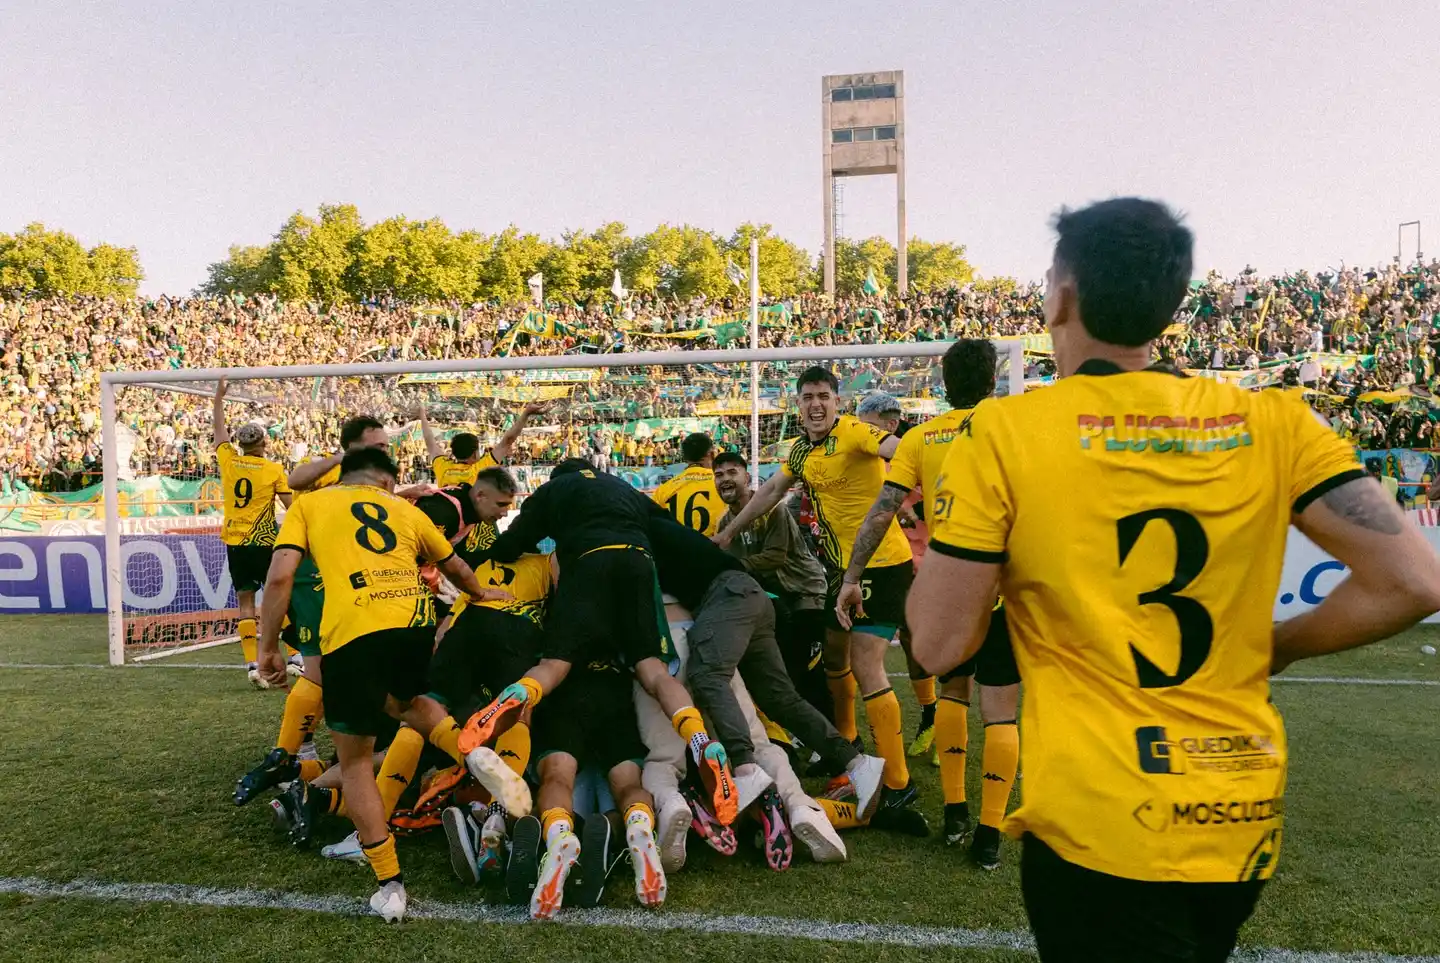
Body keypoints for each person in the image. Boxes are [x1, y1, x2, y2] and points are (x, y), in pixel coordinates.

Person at [907, 197, 1440, 963]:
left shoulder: (1005, 432)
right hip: (1238, 814)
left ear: (1060, 293)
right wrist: (1279, 645)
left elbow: (936, 641)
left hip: (1101, 826)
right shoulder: (1275, 421)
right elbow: (1414, 581)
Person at [256, 446, 514, 923]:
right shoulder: (403, 508)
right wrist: (481, 593)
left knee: (354, 761)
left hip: (353, 630)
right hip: (413, 623)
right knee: (407, 702)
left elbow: (280, 577)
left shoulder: (310, 503)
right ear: (387, 482)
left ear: (344, 475)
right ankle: (473, 755)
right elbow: (454, 565)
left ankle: (389, 883)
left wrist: (267, 645)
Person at [457, 458, 741, 827]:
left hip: (588, 562)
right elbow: (667, 529)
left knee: (553, 667)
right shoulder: (625, 488)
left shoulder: (554, 489)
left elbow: (515, 541)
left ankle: (518, 695)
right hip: (638, 562)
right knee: (653, 671)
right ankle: (699, 739)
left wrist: (476, 558)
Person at [839, 339, 1021, 869]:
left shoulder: (920, 436)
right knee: (1001, 710)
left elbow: (882, 510)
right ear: (992, 381)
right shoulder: (1010, 425)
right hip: (1003, 585)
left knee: (953, 695)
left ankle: (956, 816)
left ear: (943, 383)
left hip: (948, 588)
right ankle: (989, 834)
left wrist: (853, 574)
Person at [715, 367, 915, 813]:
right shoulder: (803, 450)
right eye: (807, 397)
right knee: (833, 660)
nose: (816, 404)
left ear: (838, 401)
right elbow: (769, 491)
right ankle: (846, 749)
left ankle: (898, 785)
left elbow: (900, 450)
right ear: (798, 404)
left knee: (866, 666)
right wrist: (728, 535)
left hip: (881, 566)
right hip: (838, 570)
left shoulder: (856, 431)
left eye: (824, 395)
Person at [232, 415, 390, 807]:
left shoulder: (376, 478)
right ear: (353, 446)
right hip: (315, 580)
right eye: (378, 445)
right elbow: (298, 480)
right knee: (322, 669)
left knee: (334, 670)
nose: (385, 452)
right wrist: (342, 459)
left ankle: (296, 759)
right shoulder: (330, 468)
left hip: (351, 578)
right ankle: (295, 755)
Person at [712, 451, 832, 723]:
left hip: (805, 593)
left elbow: (775, 557)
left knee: (809, 668)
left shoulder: (772, 509)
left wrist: (732, 566)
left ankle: (838, 737)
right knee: (783, 670)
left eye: (732, 473)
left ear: (747, 476)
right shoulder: (724, 522)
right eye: (719, 475)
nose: (725, 480)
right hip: (775, 601)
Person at [855, 391, 936, 759]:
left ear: (889, 425)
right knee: (904, 638)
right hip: (893, 562)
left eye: (867, 426)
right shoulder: (872, 459)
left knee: (927, 643)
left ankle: (938, 718)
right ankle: (931, 716)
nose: (860, 433)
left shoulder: (917, 452)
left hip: (931, 561)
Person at [211, 377, 292, 686]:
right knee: (277, 598)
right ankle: (295, 655)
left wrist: (219, 399)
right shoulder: (273, 470)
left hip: (235, 541)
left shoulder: (229, 461)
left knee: (245, 601)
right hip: (264, 542)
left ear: (240, 444)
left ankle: (251, 665)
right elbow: (290, 504)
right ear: (264, 444)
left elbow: (218, 432)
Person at [420, 402, 544, 487]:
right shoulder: (479, 469)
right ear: (474, 453)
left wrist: (421, 414)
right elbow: (508, 440)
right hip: (474, 524)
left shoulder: (443, 466)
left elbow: (429, 440)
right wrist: (526, 413)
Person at [652, 432, 722, 536]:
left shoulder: (663, 490)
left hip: (678, 549)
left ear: (685, 457)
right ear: (711, 453)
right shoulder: (723, 484)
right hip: (715, 548)